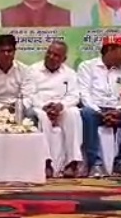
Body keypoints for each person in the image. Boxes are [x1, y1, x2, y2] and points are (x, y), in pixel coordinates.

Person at [77, 34, 121, 177]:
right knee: (86, 113)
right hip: (95, 110)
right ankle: (95, 164)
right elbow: (84, 94)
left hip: (116, 111)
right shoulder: (87, 66)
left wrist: (119, 111)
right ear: (110, 49)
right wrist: (100, 112)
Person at [29, 40, 84, 178]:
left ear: (64, 59)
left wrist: (61, 106)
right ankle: (46, 162)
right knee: (42, 117)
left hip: (60, 108)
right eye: (49, 53)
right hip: (41, 107)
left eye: (56, 55)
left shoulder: (69, 73)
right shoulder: (33, 70)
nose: (51, 57)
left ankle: (72, 162)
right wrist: (43, 106)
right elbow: (29, 94)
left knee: (74, 113)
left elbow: (74, 95)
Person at [0, 34, 38, 122]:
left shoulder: (25, 70)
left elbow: (28, 96)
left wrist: (16, 107)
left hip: (19, 109)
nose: (6, 54)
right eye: (2, 51)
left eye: (9, 51)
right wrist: (5, 109)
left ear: (14, 52)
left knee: (32, 114)